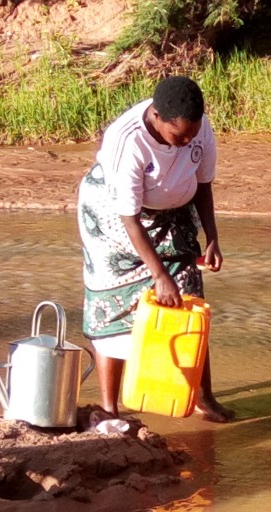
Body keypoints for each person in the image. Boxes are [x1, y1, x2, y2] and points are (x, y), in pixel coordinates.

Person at [77, 75, 233, 425]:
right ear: (158, 117)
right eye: (180, 136)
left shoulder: (198, 126)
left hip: (174, 208)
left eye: (193, 133)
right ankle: (110, 409)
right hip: (115, 219)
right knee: (111, 308)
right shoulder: (126, 141)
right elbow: (129, 219)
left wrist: (212, 237)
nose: (188, 141)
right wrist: (160, 275)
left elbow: (204, 184)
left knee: (191, 299)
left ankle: (202, 396)